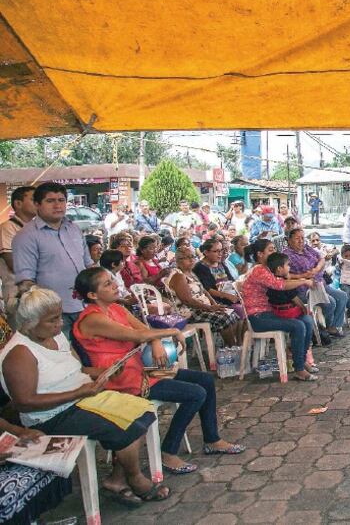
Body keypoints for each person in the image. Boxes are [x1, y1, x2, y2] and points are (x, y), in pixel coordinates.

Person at [0, 286, 168, 505]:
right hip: (52, 416)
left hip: (82, 398)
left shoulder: (55, 335)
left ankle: (117, 480)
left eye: (59, 317)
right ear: (30, 323)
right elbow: (25, 403)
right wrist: (79, 392)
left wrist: (99, 372)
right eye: (52, 320)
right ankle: (135, 478)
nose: (60, 324)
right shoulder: (20, 353)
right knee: (126, 427)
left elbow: (75, 368)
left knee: (143, 410)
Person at [72, 268, 245, 475]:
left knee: (205, 380)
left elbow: (143, 331)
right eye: (107, 284)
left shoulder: (118, 309)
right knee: (195, 394)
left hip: (139, 371)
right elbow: (134, 334)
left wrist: (154, 339)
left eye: (112, 280)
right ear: (92, 295)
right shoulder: (92, 319)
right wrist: (171, 331)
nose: (115, 285)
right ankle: (168, 451)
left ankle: (212, 439)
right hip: (119, 379)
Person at [12, 182, 93, 335]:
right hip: (52, 315)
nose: (57, 205)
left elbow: (89, 266)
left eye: (61, 200)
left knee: (86, 355)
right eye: (50, 201)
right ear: (37, 204)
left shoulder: (74, 229)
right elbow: (26, 283)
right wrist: (47, 312)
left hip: (84, 306)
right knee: (62, 356)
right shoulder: (26, 236)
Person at [241, 239, 318, 381]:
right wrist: (304, 281)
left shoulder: (267, 269)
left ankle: (301, 359)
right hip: (259, 317)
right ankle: (299, 369)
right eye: (270, 250)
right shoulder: (259, 270)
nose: (274, 252)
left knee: (307, 320)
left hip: (270, 312)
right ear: (260, 254)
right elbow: (280, 285)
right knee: (298, 325)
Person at [162, 247, 242, 346]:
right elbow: (188, 301)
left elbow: (203, 290)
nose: (191, 260)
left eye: (193, 256)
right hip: (190, 313)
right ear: (178, 260)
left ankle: (236, 346)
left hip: (203, 307)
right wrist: (210, 308)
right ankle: (231, 347)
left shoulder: (191, 273)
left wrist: (214, 303)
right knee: (225, 318)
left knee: (233, 314)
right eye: (187, 257)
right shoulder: (178, 276)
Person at [284, 228, 348, 336]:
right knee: (330, 302)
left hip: (320, 282)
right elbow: (285, 276)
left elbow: (321, 258)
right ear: (289, 240)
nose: (300, 241)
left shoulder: (306, 248)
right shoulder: (286, 255)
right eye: (297, 238)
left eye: (302, 238)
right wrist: (303, 276)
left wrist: (317, 269)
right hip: (304, 288)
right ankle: (323, 328)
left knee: (342, 296)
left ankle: (333, 326)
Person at [263, 254, 326, 351]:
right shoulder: (284, 284)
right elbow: (295, 299)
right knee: (307, 319)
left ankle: (302, 347)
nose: (289, 267)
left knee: (307, 320)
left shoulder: (272, 280)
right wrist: (304, 308)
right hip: (287, 313)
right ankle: (303, 348)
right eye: (287, 265)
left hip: (276, 312)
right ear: (280, 269)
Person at [1, 187, 36, 306]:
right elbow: (12, 263)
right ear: (18, 203)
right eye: (33, 199)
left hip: (37, 292)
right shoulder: (8, 228)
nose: (37, 203)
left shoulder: (37, 228)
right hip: (18, 294)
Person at [192, 238, 244, 316]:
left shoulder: (221, 263)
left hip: (231, 296)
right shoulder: (200, 267)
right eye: (216, 251)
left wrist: (239, 292)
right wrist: (228, 296)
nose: (220, 254)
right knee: (241, 310)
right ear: (206, 252)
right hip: (217, 300)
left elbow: (231, 281)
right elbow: (207, 289)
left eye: (221, 250)